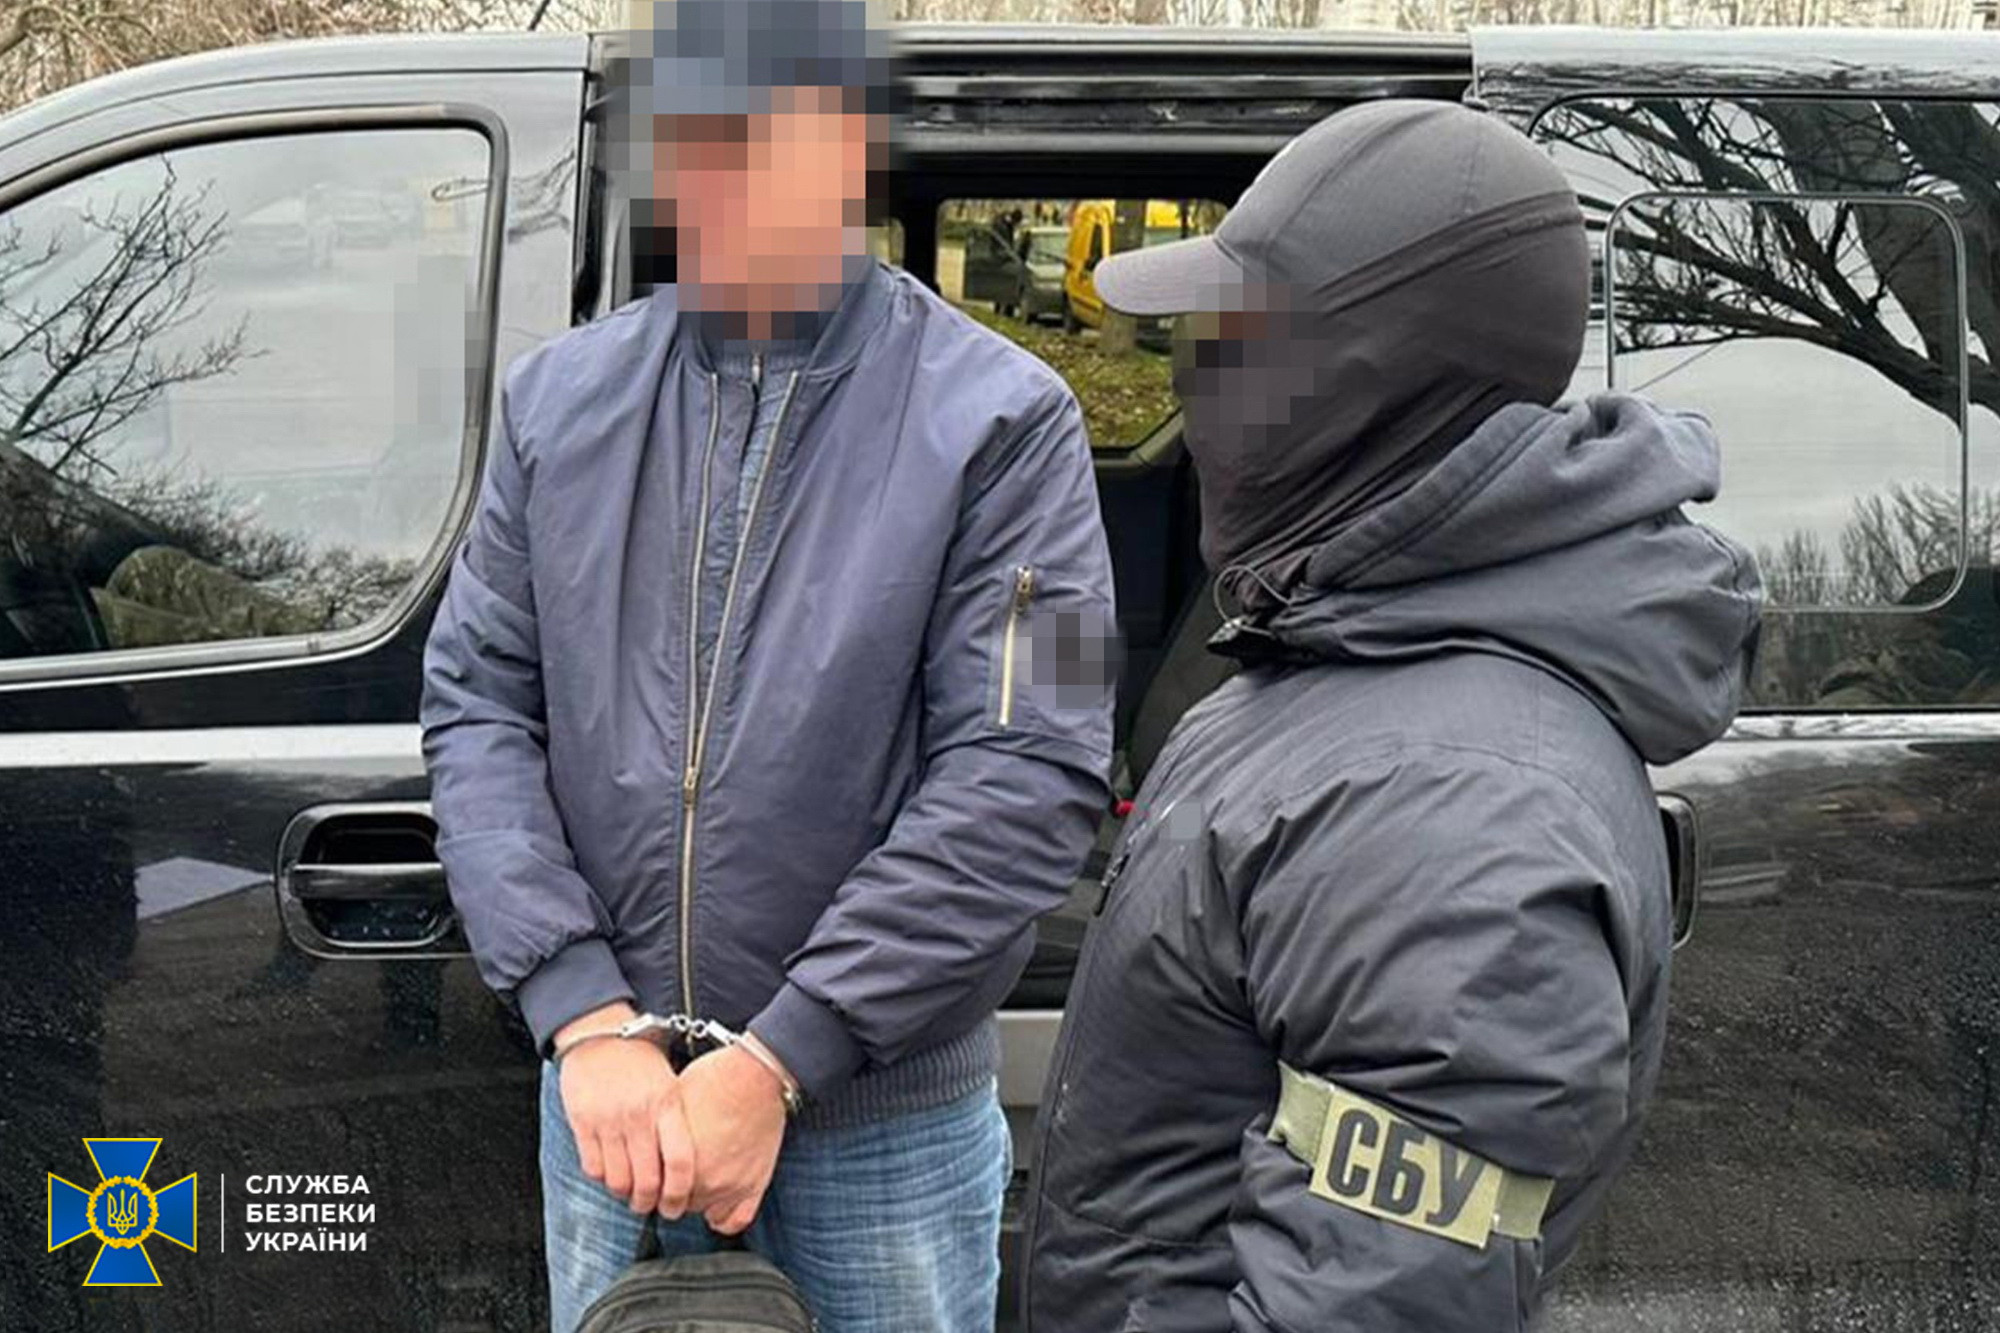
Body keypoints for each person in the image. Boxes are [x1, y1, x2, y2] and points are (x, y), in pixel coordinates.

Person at [418, 3, 1115, 1331]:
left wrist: (784, 1056)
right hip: (611, 1111)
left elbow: (1040, 766)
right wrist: (583, 1015)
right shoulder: (552, 405)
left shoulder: (1013, 422)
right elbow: (476, 706)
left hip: (878, 1134)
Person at [1020, 99, 1762, 1332]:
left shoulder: (1451, 808)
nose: (1193, 376)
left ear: (1354, 379)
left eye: (1227, 340)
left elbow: (1370, 1301)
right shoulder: (1351, 649)